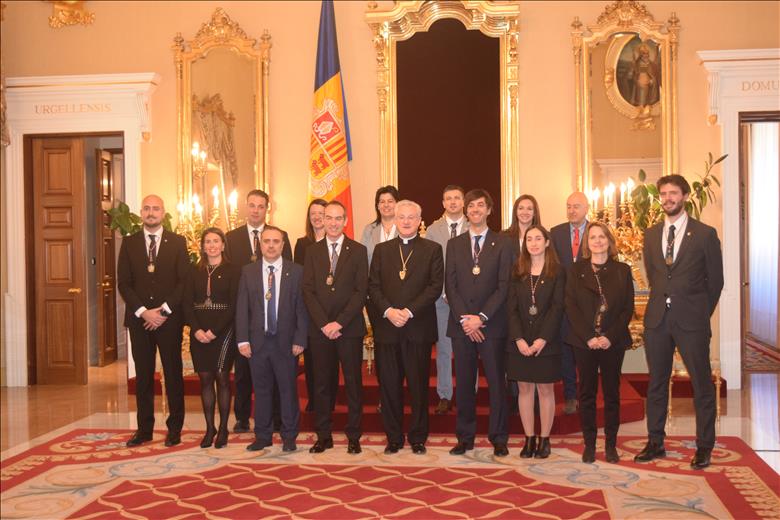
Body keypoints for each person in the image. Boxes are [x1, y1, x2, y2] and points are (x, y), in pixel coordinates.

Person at [634, 174, 723, 470]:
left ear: (684, 196)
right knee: (656, 383)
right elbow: (655, 276)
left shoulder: (705, 234)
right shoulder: (650, 234)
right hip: (658, 320)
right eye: (664, 193)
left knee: (701, 384)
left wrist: (698, 312)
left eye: (673, 193)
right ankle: (655, 442)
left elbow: (716, 282)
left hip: (692, 320)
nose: (668, 198)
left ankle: (704, 446)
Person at [368, 199, 443, 455]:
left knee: (418, 385)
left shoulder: (432, 249)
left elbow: (434, 287)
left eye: (412, 217)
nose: (407, 221)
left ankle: (418, 437)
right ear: (395, 219)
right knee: (389, 386)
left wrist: (408, 312)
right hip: (388, 329)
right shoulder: (382, 250)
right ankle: (394, 437)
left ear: (420, 220)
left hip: (417, 328)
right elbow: (373, 287)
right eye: (402, 217)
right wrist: (389, 312)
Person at [117, 194, 189, 448]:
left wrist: (163, 311)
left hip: (169, 321)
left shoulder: (178, 242)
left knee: (173, 373)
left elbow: (184, 281)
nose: (151, 212)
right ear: (140, 212)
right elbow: (123, 283)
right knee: (144, 376)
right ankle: (144, 429)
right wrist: (144, 312)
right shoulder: (129, 243)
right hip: (139, 321)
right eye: (146, 208)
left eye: (155, 208)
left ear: (163, 212)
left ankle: (175, 429)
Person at [446, 189, 513, 458]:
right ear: (465, 210)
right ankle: (465, 437)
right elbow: (450, 286)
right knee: (463, 383)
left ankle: (498, 436)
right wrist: (466, 320)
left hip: (492, 326)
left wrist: (481, 318)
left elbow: (504, 285)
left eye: (480, 205)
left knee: (497, 383)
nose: (475, 209)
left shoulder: (504, 243)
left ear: (489, 210)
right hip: (462, 327)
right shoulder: (454, 244)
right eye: (470, 205)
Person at [303, 201, 369, 454]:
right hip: (320, 331)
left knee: (353, 383)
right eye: (327, 217)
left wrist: (339, 322)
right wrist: (324, 323)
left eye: (337, 218)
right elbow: (307, 290)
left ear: (345, 221)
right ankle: (324, 435)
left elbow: (360, 291)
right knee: (321, 384)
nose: (332, 222)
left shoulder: (359, 250)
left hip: (348, 328)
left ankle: (354, 435)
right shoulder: (312, 251)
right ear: (321, 220)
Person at [565, 222, 634, 464]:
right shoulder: (576, 270)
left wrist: (608, 337)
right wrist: (588, 337)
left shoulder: (622, 270)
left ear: (609, 240)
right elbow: (571, 306)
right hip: (584, 342)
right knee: (587, 394)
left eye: (602, 237)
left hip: (611, 342)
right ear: (587, 242)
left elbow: (627, 309)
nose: (597, 241)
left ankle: (611, 445)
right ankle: (590, 444)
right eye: (592, 237)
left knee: (612, 393)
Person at [235, 226, 308, 452]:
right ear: (260, 244)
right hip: (257, 343)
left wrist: (300, 339)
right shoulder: (249, 271)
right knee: (262, 390)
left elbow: (302, 310)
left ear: (283, 245)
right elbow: (242, 307)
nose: (271, 245)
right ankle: (263, 435)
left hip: (286, 343)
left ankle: (289, 437)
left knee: (288, 391)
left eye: (276, 241)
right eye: (267, 241)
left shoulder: (296, 272)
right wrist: (242, 340)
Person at [225, 189, 292, 433]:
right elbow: (231, 279)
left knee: (274, 374)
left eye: (260, 206)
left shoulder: (278, 235)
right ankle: (242, 417)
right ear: (246, 207)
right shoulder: (231, 238)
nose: (255, 210)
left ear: (267, 208)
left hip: (274, 318)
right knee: (243, 372)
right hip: (245, 316)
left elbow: (290, 276)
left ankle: (275, 419)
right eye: (251, 205)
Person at [506, 225, 564, 459]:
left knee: (545, 389)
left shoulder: (557, 271)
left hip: (546, 341)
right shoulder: (518, 270)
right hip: (520, 341)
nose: (533, 243)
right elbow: (511, 309)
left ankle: (545, 439)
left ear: (547, 242)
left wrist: (542, 339)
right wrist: (518, 338)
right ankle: (529, 437)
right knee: (524, 388)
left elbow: (558, 307)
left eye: (538, 238)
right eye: (529, 239)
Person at [182, 228, 240, 449]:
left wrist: (214, 331)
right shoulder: (193, 271)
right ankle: (210, 428)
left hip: (223, 332)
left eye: (216, 241)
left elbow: (234, 305)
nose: (212, 245)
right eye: (208, 241)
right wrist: (196, 330)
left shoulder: (234, 271)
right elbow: (187, 303)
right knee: (205, 379)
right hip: (199, 331)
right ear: (203, 246)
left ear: (223, 245)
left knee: (222, 378)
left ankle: (224, 427)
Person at [423, 184, 468, 415]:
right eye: (448, 198)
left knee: (469, 348)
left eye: (457, 198)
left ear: (463, 202)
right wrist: (443, 292)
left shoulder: (474, 226)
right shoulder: (432, 230)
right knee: (443, 348)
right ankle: (444, 394)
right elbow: (431, 266)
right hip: (441, 300)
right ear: (443, 203)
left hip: (468, 301)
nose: (452, 202)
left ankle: (467, 392)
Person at [550, 191, 590, 415]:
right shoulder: (556, 233)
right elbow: (553, 269)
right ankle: (570, 396)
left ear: (586, 208)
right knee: (566, 353)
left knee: (585, 354)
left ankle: (586, 396)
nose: (572, 210)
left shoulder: (596, 232)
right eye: (569, 206)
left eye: (576, 206)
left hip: (587, 306)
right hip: (564, 304)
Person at [292, 198, 333, 413]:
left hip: (331, 309)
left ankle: (330, 398)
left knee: (329, 358)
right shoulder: (302, 243)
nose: (317, 217)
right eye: (313, 214)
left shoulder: (337, 241)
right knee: (311, 359)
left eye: (321, 213)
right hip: (308, 308)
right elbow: (299, 278)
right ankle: (314, 399)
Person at [360, 185, 399, 265]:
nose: (386, 205)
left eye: (390, 201)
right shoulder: (369, 230)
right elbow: (362, 259)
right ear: (377, 206)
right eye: (382, 202)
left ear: (397, 204)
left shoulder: (404, 229)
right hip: (373, 276)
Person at [504, 194, 542, 258]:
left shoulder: (544, 236)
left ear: (535, 213)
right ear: (515, 212)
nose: (525, 212)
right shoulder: (503, 237)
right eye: (521, 208)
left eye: (529, 209)